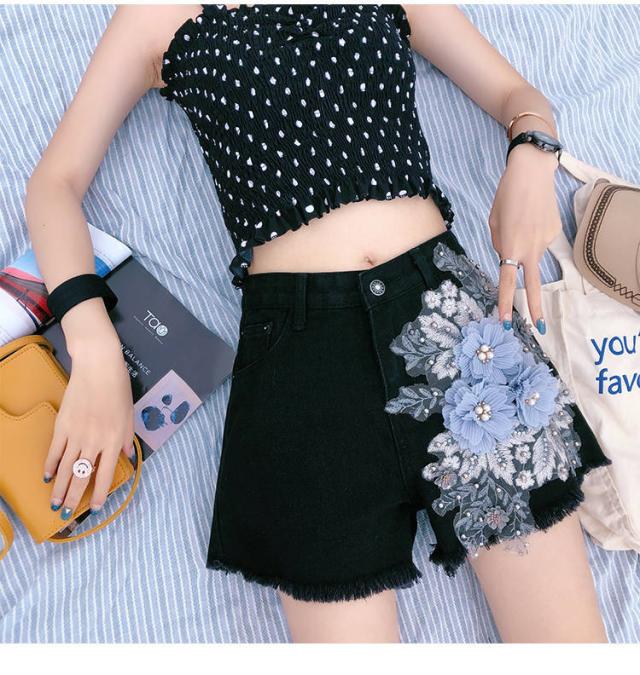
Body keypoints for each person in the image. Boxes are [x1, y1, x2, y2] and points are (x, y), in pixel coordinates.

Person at [25, 4, 610, 643]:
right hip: (300, 366)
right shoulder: (155, 15)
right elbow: (54, 183)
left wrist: (532, 152)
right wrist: (94, 349)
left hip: (459, 334)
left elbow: (516, 96)